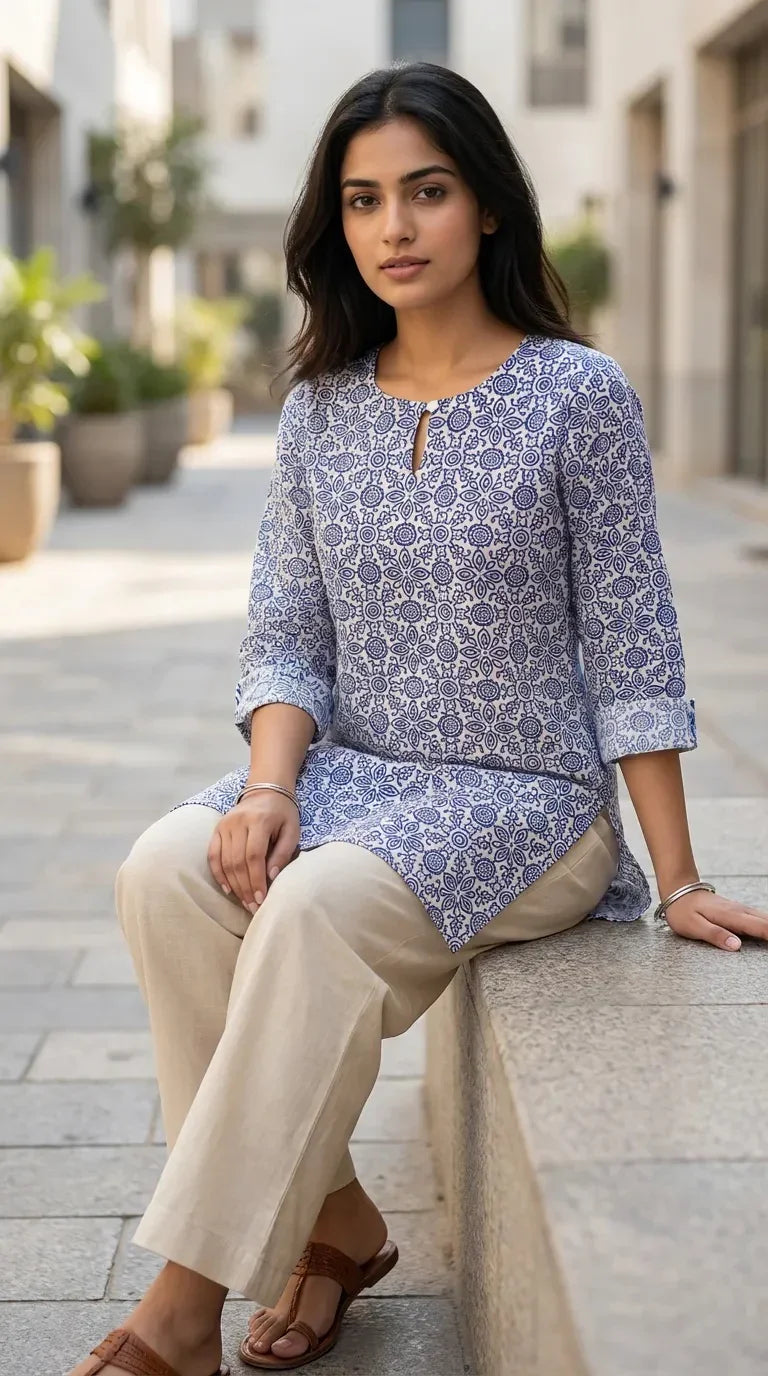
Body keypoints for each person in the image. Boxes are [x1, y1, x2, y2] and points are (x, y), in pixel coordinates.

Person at [69, 60, 768, 1376]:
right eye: (364, 199)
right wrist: (269, 790)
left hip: (530, 803)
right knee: (166, 870)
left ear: (488, 208)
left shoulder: (579, 398)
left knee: (320, 905)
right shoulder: (319, 411)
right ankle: (333, 1219)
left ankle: (181, 1303)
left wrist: (675, 875)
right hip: (351, 784)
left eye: (427, 193)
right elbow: (287, 632)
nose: (394, 227)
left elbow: (632, 637)